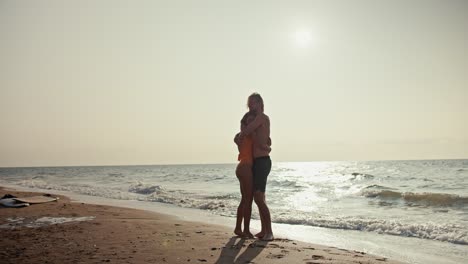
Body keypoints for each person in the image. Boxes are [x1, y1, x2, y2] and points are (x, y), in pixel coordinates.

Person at [238, 93, 273, 241]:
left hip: (263, 161)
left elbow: (248, 130)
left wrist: (242, 132)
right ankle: (264, 230)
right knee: (259, 197)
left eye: (253, 103)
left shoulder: (262, 118)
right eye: (249, 103)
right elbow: (252, 134)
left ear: (260, 103)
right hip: (256, 162)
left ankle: (269, 232)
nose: (250, 105)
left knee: (258, 197)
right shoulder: (256, 121)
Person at [233, 111, 256, 238]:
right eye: (249, 121)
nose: (252, 123)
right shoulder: (248, 135)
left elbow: (236, 138)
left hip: (241, 167)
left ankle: (238, 228)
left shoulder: (243, 135)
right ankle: (246, 230)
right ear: (245, 123)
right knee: (248, 200)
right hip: (246, 167)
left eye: (254, 120)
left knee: (244, 199)